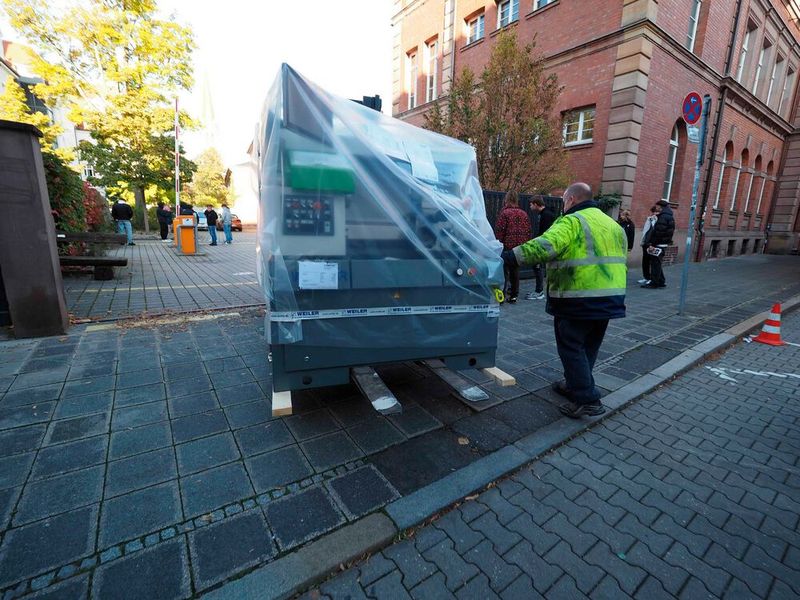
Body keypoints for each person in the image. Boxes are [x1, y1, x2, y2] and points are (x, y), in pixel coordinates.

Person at [503, 182, 627, 418]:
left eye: (564, 201)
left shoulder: (572, 221)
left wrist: (509, 257)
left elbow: (544, 246)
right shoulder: (613, 225)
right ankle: (576, 385)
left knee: (571, 346)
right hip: (610, 298)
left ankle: (588, 399)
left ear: (570, 199)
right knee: (588, 346)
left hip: (579, 297)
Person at [494, 193, 531, 303]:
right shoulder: (524, 214)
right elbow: (528, 231)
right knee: (515, 271)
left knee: (503, 272)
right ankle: (514, 295)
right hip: (519, 247)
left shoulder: (505, 213)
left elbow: (499, 231)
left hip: (507, 246)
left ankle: (502, 296)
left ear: (506, 199)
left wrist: (498, 244)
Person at [526, 197, 556, 300]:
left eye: (531, 204)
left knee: (537, 266)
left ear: (536, 204)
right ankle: (541, 291)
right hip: (545, 245)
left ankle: (540, 291)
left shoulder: (546, 215)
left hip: (545, 246)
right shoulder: (545, 214)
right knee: (539, 266)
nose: (530, 207)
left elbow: (545, 233)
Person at [642, 200, 675, 289]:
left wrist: (653, 244)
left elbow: (659, 232)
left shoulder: (663, 217)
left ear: (660, 206)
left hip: (659, 244)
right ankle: (661, 281)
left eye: (656, 206)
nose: (656, 208)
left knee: (655, 263)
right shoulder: (669, 216)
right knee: (657, 263)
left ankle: (654, 283)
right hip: (663, 243)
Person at [638, 205, 659, 284]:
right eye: (654, 212)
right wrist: (643, 241)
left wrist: (655, 221)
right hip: (646, 243)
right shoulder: (649, 219)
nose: (655, 214)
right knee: (645, 261)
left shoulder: (659, 220)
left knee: (652, 261)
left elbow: (656, 231)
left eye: (656, 212)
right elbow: (645, 231)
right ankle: (646, 277)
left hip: (653, 244)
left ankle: (652, 278)